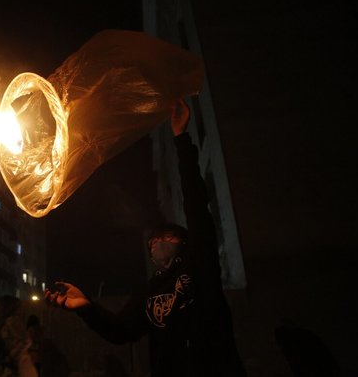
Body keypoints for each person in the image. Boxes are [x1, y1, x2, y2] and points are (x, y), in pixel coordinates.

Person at [44, 98, 246, 376]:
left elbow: (196, 205)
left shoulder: (200, 263)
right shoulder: (150, 291)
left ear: (182, 241)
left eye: (162, 237)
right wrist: (87, 307)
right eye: (151, 242)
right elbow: (121, 331)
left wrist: (181, 139)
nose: (154, 243)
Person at [0, 296, 38, 377]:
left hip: (19, 363)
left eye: (1, 306)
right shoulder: (11, 321)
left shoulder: (12, 322)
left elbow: (26, 340)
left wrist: (13, 354)